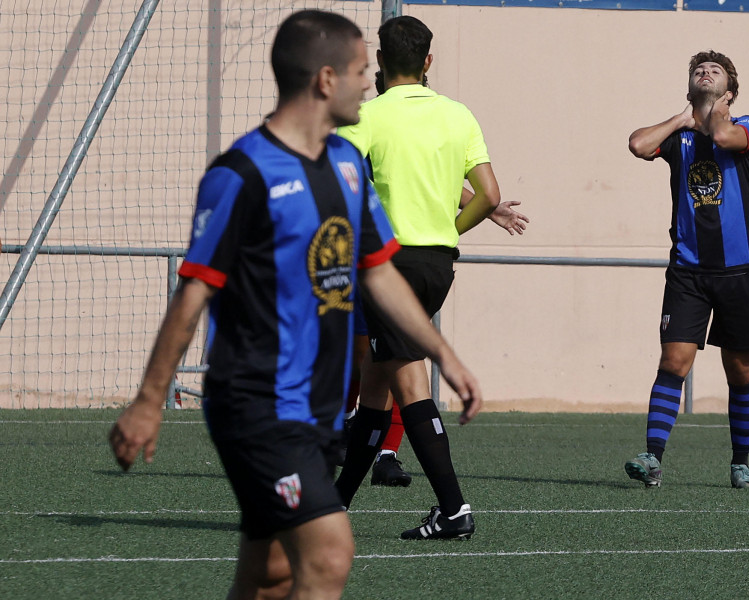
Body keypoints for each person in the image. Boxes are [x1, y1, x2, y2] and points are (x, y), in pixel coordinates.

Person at [108, 10, 482, 599]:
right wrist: (149, 402)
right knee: (330, 553)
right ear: (326, 80)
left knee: (270, 575)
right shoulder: (242, 173)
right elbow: (194, 291)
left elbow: (378, 273)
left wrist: (445, 356)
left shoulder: (345, 165)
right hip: (258, 406)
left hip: (320, 409)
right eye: (362, 71)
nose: (371, 82)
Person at [333, 15, 502, 540]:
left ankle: (453, 510)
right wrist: (450, 229)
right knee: (376, 390)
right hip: (437, 264)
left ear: (380, 62)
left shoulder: (366, 117)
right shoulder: (458, 115)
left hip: (390, 267)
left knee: (407, 383)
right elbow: (490, 196)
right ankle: (332, 509)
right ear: (429, 62)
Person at [342, 69, 529, 489]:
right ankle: (349, 471)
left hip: (391, 263)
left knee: (397, 370)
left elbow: (434, 181)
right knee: (373, 365)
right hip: (394, 260)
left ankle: (439, 496)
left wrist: (480, 212)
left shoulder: (384, 119)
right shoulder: (379, 120)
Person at [624, 50, 749, 490]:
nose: (705, 73)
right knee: (674, 360)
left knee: (740, 370)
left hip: (739, 272)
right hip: (687, 272)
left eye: (715, 71)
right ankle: (653, 458)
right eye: (698, 72)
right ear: (689, 88)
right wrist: (682, 118)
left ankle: (740, 462)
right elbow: (637, 145)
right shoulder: (679, 137)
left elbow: (725, 139)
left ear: (731, 91)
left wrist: (714, 114)